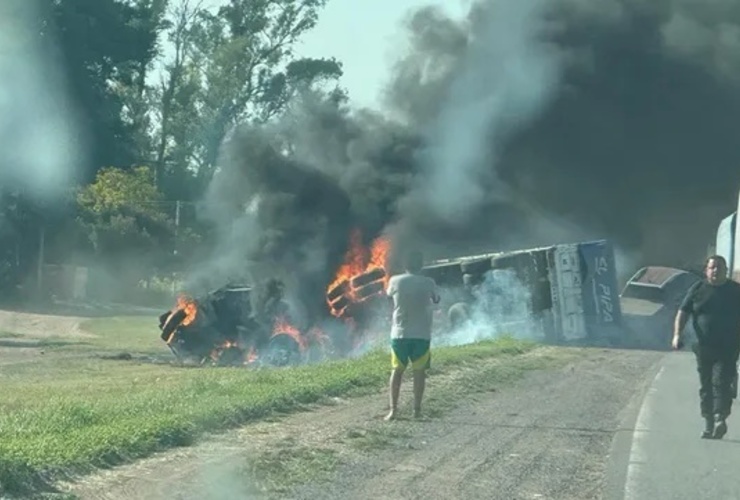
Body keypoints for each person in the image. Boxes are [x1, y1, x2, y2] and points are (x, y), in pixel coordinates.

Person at [672, 255, 740, 439]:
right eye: (712, 267)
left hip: (729, 346)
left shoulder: (735, 291)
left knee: (720, 381)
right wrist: (677, 335)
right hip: (703, 346)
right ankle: (709, 422)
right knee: (706, 385)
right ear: (706, 270)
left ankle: (720, 418)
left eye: (719, 267)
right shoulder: (698, 289)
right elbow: (683, 312)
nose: (716, 270)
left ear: (726, 270)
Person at [384, 250, 440, 421]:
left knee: (397, 371)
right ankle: (417, 410)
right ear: (421, 265)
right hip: (421, 334)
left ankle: (393, 411)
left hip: (400, 333)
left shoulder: (394, 280)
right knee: (419, 372)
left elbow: (388, 297)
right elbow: (437, 299)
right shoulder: (429, 282)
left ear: (404, 265)